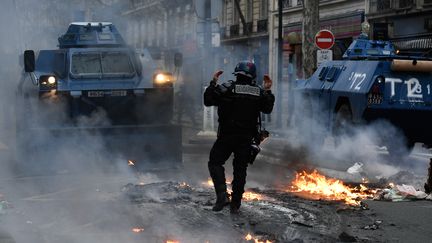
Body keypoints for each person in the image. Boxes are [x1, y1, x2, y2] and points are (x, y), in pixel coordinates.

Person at [203, 61, 275, 214]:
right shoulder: (259, 91)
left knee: (215, 162)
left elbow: (208, 100)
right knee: (240, 169)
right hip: (246, 138)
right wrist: (268, 90)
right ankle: (235, 203)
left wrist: (213, 82)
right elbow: (268, 109)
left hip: (226, 136)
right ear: (253, 76)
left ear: (237, 74)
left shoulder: (228, 87)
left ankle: (222, 196)